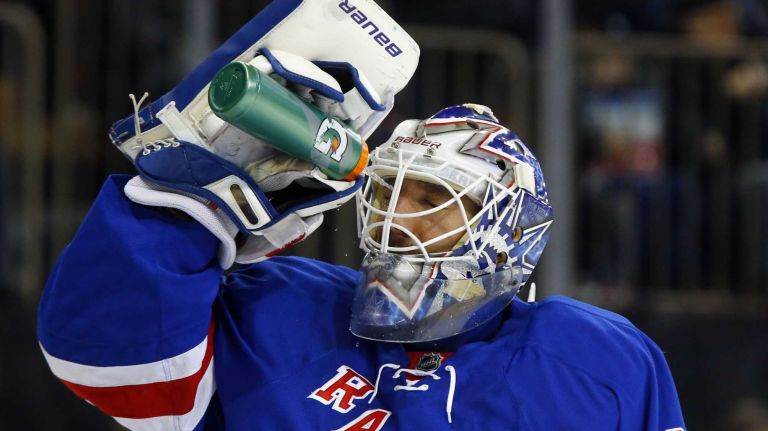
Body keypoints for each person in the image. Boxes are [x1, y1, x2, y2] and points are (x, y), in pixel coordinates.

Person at [37, 3, 686, 430]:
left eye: (432, 201)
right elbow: (103, 358)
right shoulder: (280, 307)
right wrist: (188, 198)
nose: (397, 216)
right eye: (388, 194)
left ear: (510, 236)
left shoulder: (598, 361)